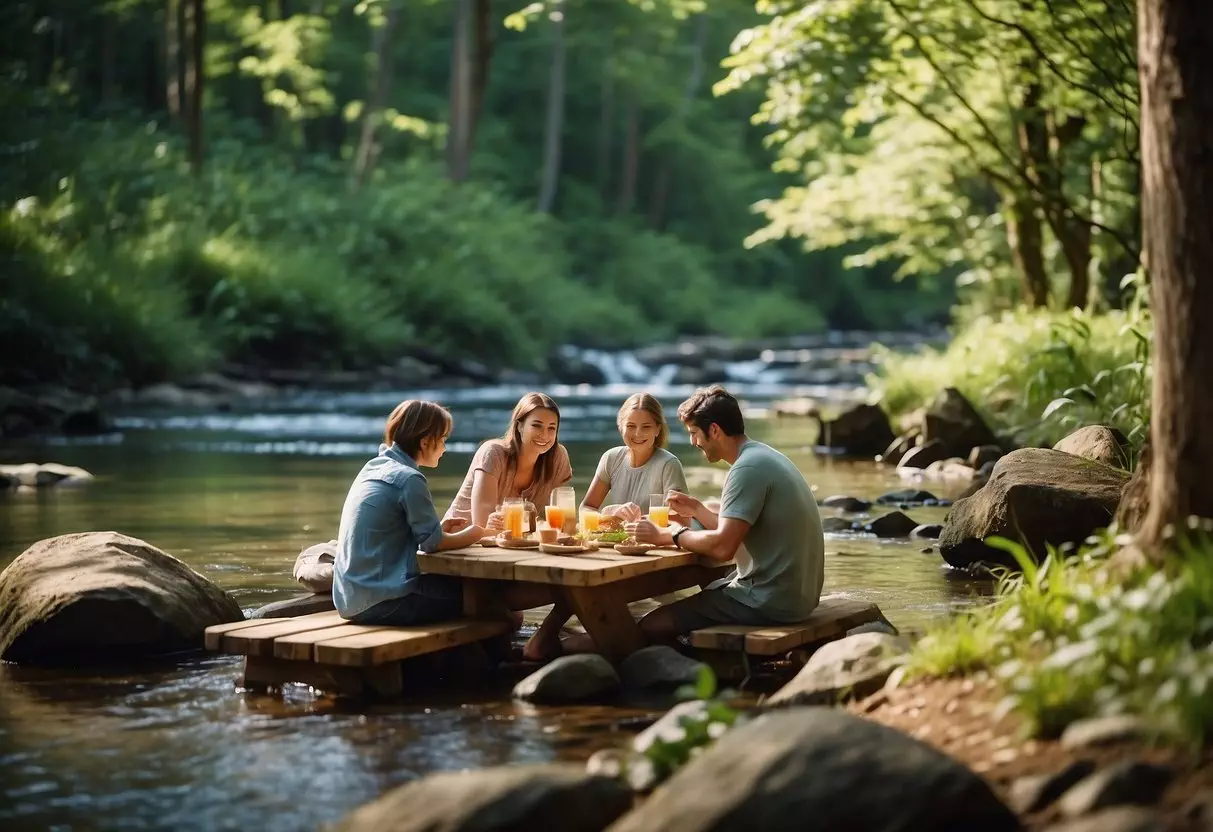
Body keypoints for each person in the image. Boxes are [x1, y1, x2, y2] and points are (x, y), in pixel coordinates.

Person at [626, 384, 825, 642]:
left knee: (653, 622)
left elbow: (722, 548)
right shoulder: (763, 455)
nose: (693, 442)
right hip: (798, 597)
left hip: (770, 600)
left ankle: (677, 670)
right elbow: (741, 527)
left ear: (715, 430)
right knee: (711, 588)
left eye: (694, 433)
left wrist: (670, 535)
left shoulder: (746, 468)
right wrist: (698, 509)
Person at [333, 400, 486, 627]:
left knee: (459, 590)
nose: (444, 448)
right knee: (482, 595)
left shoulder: (373, 467)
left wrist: (439, 530)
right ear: (425, 442)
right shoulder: (409, 479)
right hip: (384, 601)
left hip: (349, 599)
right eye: (443, 439)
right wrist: (477, 533)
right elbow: (432, 544)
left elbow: (402, 532)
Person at [444, 392, 573, 530]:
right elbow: (482, 525)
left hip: (514, 543)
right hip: (459, 543)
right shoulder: (493, 453)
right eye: (536, 426)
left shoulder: (557, 457)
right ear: (519, 426)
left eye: (551, 428)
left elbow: (563, 520)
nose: (544, 435)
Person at [580, 393, 688, 523]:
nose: (638, 433)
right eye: (631, 426)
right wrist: (610, 514)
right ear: (621, 427)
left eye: (646, 427)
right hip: (618, 542)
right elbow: (585, 508)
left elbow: (683, 522)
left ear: (657, 429)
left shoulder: (669, 465)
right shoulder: (611, 458)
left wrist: (638, 521)